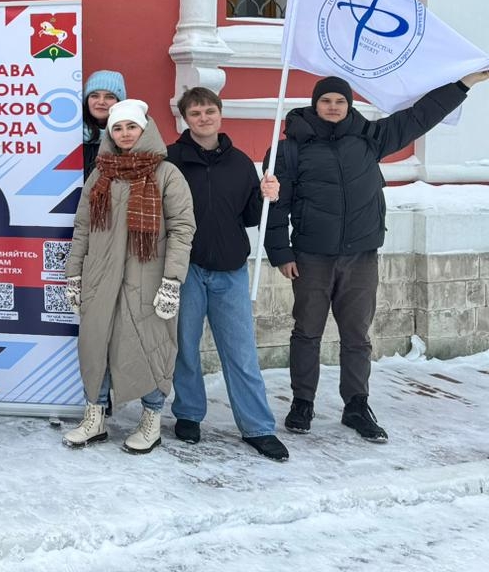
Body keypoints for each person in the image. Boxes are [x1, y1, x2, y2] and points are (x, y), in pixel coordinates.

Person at [265, 71, 489, 443]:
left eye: (340, 101)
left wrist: (463, 84)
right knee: (306, 332)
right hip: (311, 257)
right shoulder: (290, 149)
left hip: (361, 256)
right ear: (315, 105)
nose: (333, 107)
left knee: (357, 335)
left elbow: (419, 117)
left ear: (349, 105)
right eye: (326, 101)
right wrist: (281, 254)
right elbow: (276, 206)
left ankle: (356, 404)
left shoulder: (370, 137)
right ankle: (302, 402)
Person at [63, 99, 194, 454]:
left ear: (144, 129)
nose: (124, 134)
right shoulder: (100, 175)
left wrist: (172, 281)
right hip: (100, 277)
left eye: (131, 127)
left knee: (151, 346)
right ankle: (95, 417)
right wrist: (73, 275)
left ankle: (151, 420)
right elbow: (83, 228)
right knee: (96, 346)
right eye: (117, 128)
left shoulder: (167, 174)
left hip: (147, 277)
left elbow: (182, 229)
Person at [166, 87, 287, 461]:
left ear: (220, 114)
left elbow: (251, 216)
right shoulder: (171, 160)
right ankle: (188, 414)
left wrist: (267, 196)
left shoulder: (240, 163)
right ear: (185, 119)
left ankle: (258, 427)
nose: (203, 118)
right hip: (186, 268)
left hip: (230, 271)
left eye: (209, 111)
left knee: (241, 351)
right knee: (185, 347)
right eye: (195, 113)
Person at [82, 70, 126, 181]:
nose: (101, 102)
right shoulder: (70, 134)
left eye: (109, 97)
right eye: (94, 96)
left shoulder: (128, 137)